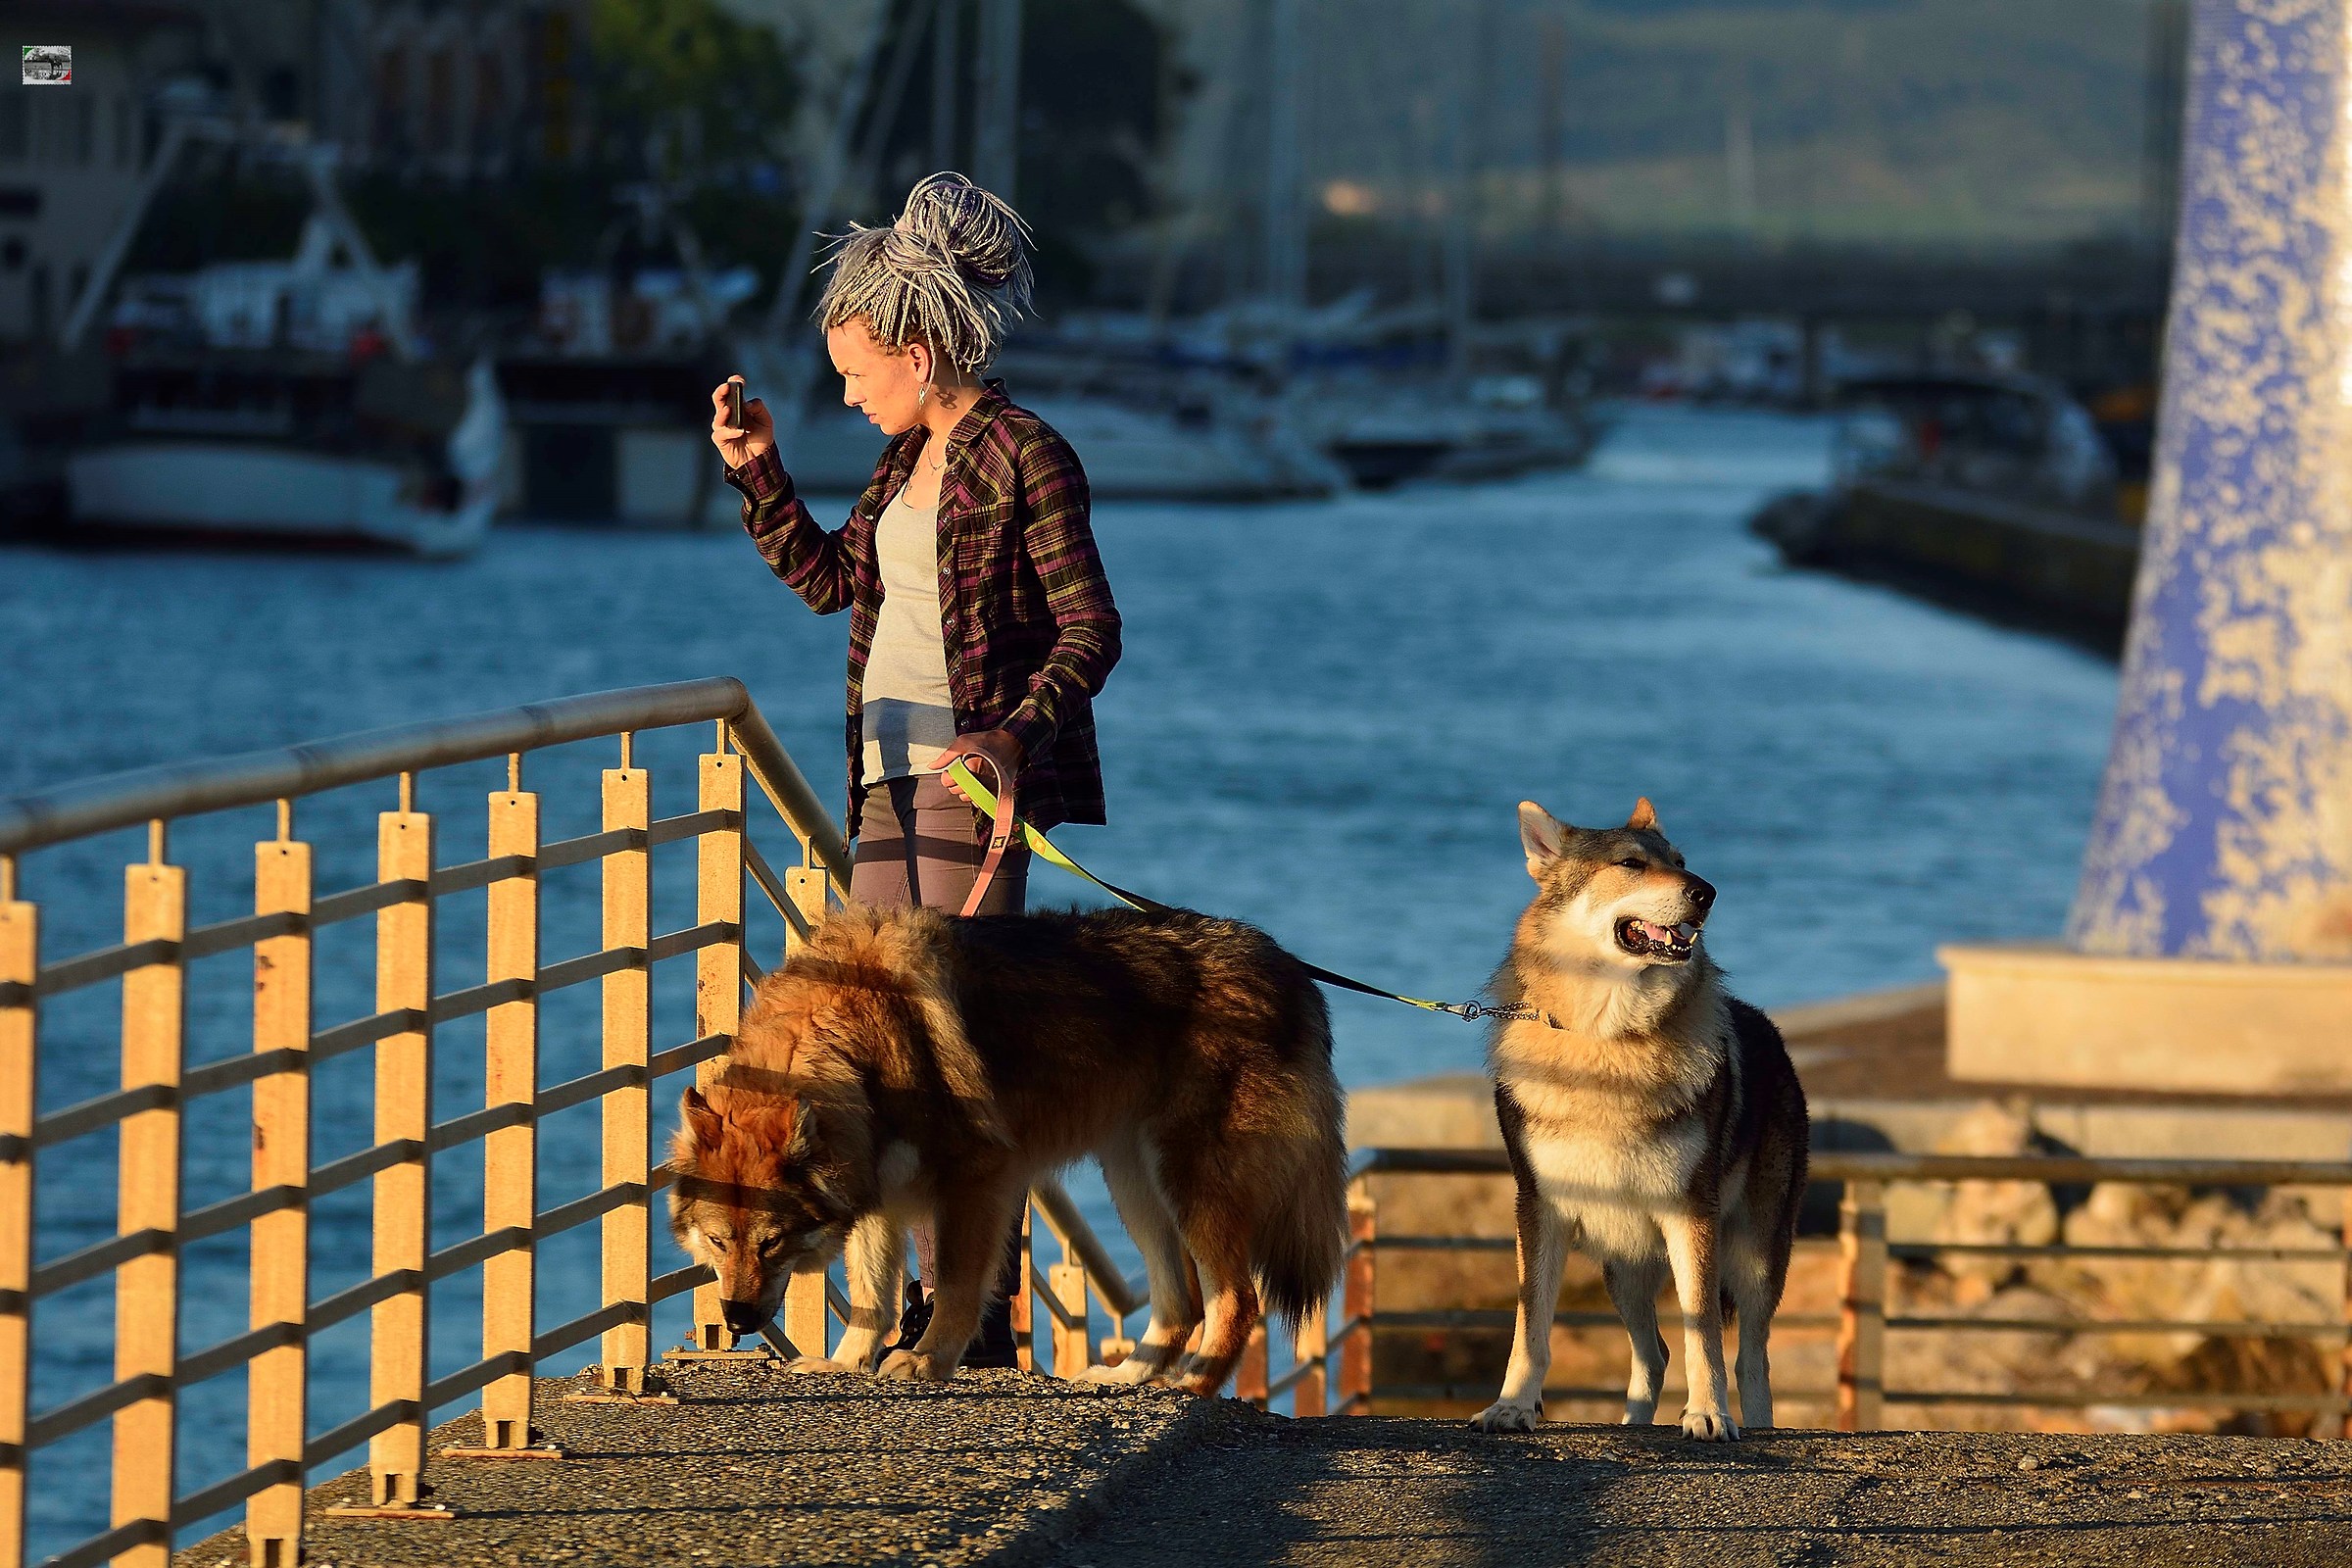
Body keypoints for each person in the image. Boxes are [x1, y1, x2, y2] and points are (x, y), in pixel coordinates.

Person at [707, 172, 1121, 1367]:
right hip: (882, 779)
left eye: (856, 371)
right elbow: (836, 581)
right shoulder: (902, 466)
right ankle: (910, 1308)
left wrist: (1009, 733)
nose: (845, 390)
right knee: (881, 1050)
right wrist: (758, 471)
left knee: (958, 1053)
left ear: (925, 346)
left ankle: (975, 1317)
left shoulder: (1025, 455)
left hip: (972, 786)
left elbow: (1091, 629)